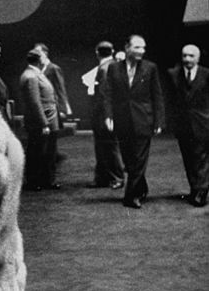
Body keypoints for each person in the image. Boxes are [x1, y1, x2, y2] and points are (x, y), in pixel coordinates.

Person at [102, 34, 164, 209]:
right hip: (122, 121)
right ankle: (141, 187)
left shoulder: (150, 68)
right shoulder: (114, 68)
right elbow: (108, 94)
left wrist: (159, 121)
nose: (141, 51)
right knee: (129, 160)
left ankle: (132, 196)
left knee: (138, 159)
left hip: (143, 120)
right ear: (127, 48)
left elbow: (157, 95)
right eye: (137, 47)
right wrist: (108, 116)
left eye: (143, 48)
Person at [166, 44, 209, 207]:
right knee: (188, 158)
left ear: (198, 58)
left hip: (203, 123)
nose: (187, 59)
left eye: (191, 56)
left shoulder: (206, 74)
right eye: (184, 56)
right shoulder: (173, 74)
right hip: (183, 124)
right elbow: (170, 99)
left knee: (202, 157)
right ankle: (195, 188)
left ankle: (201, 191)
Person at [19, 49, 60, 190]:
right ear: (39, 59)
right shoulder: (31, 76)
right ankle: (34, 181)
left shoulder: (34, 74)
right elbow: (35, 102)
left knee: (45, 151)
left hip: (47, 118)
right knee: (37, 152)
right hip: (42, 121)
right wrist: (44, 123)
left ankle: (44, 180)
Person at [88, 42, 124, 189]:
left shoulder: (104, 68)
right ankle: (103, 178)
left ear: (97, 52)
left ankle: (116, 177)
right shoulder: (114, 65)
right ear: (113, 51)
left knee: (108, 146)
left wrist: (105, 116)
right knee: (105, 146)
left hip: (103, 114)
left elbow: (104, 95)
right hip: (109, 113)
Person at [34, 43, 72, 119]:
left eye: (39, 52)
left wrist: (62, 109)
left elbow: (60, 89)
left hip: (53, 106)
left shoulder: (54, 68)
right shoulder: (37, 69)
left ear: (45, 53)